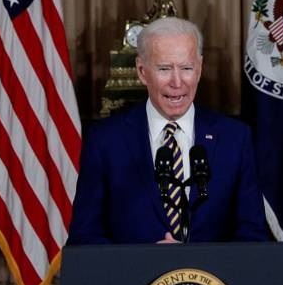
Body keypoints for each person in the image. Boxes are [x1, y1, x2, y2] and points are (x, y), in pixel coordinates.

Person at [68, 16, 268, 244]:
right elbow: (84, 239)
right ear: (142, 71)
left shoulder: (235, 139)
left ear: (200, 69)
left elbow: (253, 239)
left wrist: (190, 264)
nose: (177, 82)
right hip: (134, 279)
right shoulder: (105, 141)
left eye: (186, 68)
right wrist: (149, 263)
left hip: (212, 280)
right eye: (164, 68)